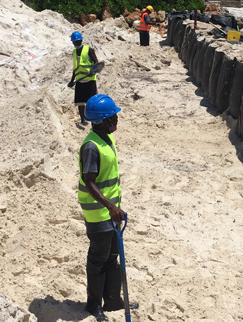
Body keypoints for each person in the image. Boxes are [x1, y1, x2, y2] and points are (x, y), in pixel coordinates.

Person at [78, 94, 135, 321]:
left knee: (113, 255)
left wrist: (115, 207)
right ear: (101, 121)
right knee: (98, 258)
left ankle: (113, 300)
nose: (116, 121)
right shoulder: (91, 147)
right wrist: (110, 206)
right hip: (99, 212)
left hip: (112, 210)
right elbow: (90, 182)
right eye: (112, 117)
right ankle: (94, 305)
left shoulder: (105, 139)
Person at [67, 31, 99, 128]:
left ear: (81, 40)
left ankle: (94, 121)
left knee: (92, 102)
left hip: (90, 80)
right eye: (74, 42)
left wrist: (92, 71)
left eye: (77, 41)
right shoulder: (74, 52)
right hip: (80, 80)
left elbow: (96, 63)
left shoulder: (89, 50)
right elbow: (75, 68)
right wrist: (72, 80)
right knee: (80, 102)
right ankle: (83, 120)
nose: (76, 43)